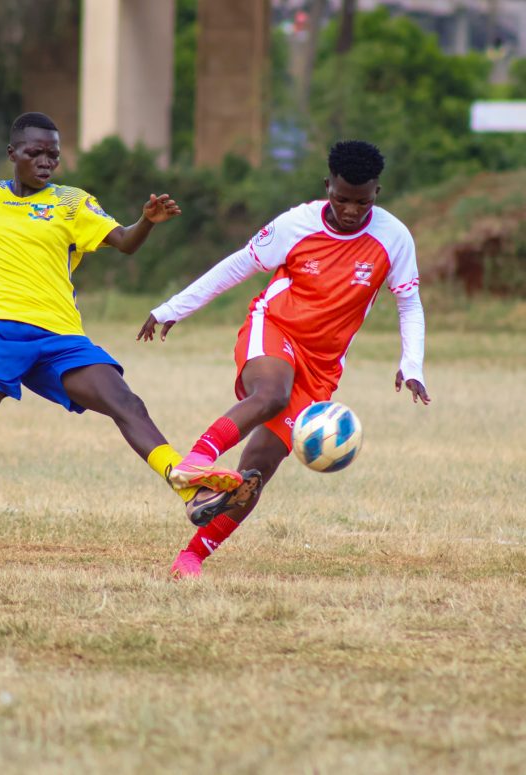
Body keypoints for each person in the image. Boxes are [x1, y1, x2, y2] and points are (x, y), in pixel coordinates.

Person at [0, 112, 241, 566]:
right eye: (35, 152)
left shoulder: (71, 202)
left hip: (61, 338)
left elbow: (125, 241)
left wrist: (146, 221)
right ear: (12, 153)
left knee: (125, 401)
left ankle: (188, 486)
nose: (46, 161)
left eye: (53, 155)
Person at [138, 140, 431, 579]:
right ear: (327, 186)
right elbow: (238, 266)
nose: (351, 210)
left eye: (362, 202)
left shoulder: (394, 238)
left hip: (322, 365)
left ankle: (191, 557)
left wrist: (412, 364)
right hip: (275, 326)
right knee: (272, 394)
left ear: (377, 193)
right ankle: (195, 462)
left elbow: (409, 303)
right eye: (342, 199)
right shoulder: (296, 224)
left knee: (255, 474)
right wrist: (174, 307)